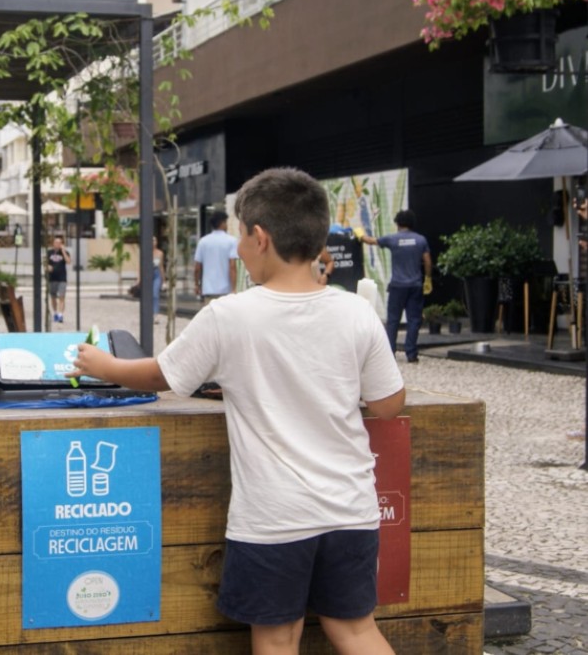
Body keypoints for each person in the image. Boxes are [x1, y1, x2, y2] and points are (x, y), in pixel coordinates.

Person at [70, 167, 404, 655]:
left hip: (274, 517)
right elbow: (388, 403)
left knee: (276, 640)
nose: (238, 248)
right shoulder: (356, 311)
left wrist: (104, 365)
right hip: (351, 510)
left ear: (260, 237)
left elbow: (164, 375)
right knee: (354, 629)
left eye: (239, 235)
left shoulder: (230, 315)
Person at [359, 209, 432, 363]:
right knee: (414, 320)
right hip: (415, 285)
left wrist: (360, 235)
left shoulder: (392, 239)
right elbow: (427, 261)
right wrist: (428, 278)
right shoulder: (420, 240)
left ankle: (389, 353)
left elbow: (372, 241)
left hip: (397, 286)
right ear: (412, 223)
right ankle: (411, 354)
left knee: (393, 320)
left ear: (398, 223)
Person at [194, 210, 239, 302]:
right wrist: (234, 289)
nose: (226, 225)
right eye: (226, 222)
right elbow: (232, 266)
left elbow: (197, 268)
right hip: (226, 291)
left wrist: (197, 285)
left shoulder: (203, 241)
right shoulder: (231, 241)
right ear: (222, 223)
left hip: (208, 289)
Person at [46, 236, 71, 323]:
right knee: (53, 297)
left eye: (60, 243)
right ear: (53, 243)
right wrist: (47, 267)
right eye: (56, 242)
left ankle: (60, 315)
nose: (58, 244)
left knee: (61, 296)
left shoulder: (65, 252)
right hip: (52, 278)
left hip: (62, 278)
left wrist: (63, 251)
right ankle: (55, 313)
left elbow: (68, 261)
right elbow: (45, 263)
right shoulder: (49, 253)